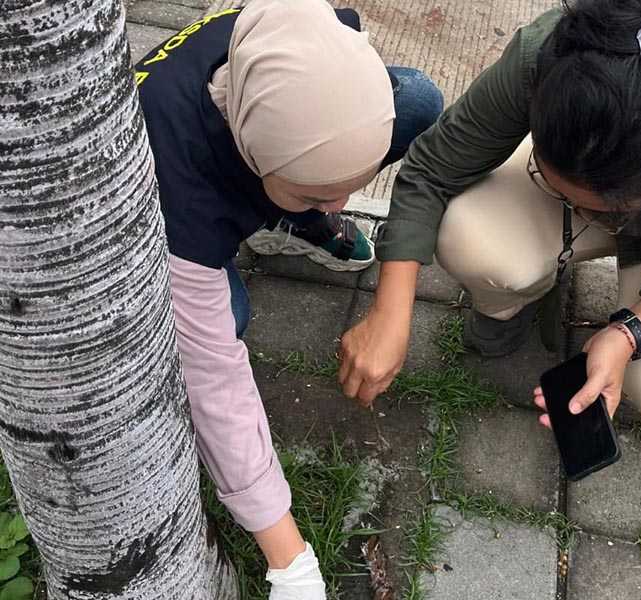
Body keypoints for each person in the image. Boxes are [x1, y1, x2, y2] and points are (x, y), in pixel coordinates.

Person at [338, 0, 641, 441]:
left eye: (608, 207)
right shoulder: (545, 55)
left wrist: (630, 333)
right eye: (574, 195)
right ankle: (514, 301)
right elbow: (433, 166)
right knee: (470, 239)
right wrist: (390, 310)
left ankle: (621, 326)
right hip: (589, 194)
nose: (594, 218)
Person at [133, 0, 442, 598]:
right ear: (252, 153)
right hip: (175, 212)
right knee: (228, 320)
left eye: (351, 189)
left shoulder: (292, 27)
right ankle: (272, 216)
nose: (341, 208)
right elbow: (217, 388)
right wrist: (288, 556)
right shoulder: (178, 204)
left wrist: (312, 188)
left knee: (417, 99)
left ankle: (285, 213)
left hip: (256, 153)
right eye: (318, 196)